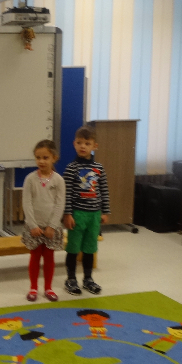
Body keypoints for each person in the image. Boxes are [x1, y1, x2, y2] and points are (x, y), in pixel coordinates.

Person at [62, 126, 110, 295]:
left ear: (94, 146)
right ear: (74, 144)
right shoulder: (71, 168)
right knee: (73, 248)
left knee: (90, 248)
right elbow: (66, 193)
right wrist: (67, 214)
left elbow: (104, 190)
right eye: (80, 143)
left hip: (94, 215)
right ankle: (71, 279)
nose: (83, 146)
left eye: (87, 143)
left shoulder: (99, 168)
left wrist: (105, 212)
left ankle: (88, 279)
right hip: (77, 214)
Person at [21, 139, 65, 302]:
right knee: (35, 257)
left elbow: (60, 204)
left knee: (49, 258)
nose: (41, 161)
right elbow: (27, 203)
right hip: (34, 228)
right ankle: (33, 287)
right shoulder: (30, 179)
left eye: (45, 157)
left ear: (54, 158)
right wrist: (33, 225)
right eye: (38, 157)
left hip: (50, 229)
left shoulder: (58, 180)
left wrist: (52, 226)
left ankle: (48, 288)